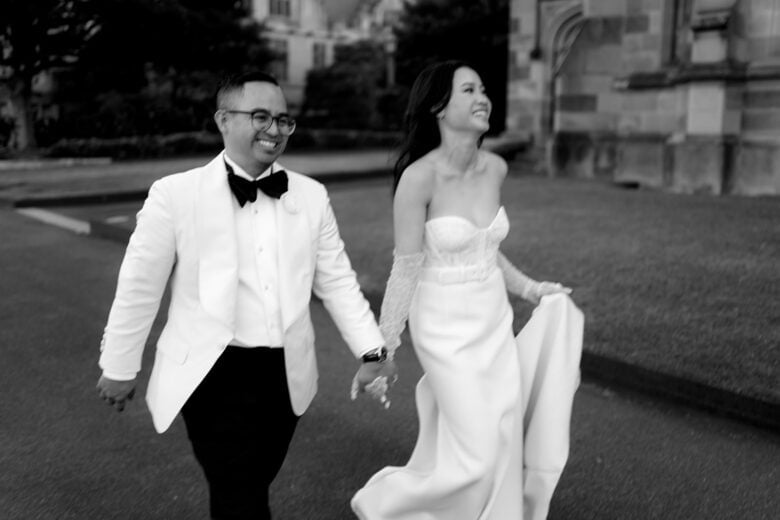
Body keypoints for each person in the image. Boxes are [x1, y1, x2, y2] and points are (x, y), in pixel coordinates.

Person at [95, 70, 396, 520]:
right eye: (260, 116)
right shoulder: (174, 194)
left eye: (283, 119)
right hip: (211, 373)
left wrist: (372, 351)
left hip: (285, 372)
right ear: (223, 120)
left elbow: (336, 281)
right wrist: (119, 365)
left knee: (252, 482)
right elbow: (140, 286)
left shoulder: (311, 196)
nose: (274, 129)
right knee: (239, 490)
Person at [350, 61, 584, 519]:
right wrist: (383, 351)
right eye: (469, 90)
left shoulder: (496, 168)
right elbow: (406, 269)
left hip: (492, 317)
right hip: (443, 325)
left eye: (483, 89)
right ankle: (392, 505)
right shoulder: (418, 178)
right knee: (477, 447)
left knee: (499, 430)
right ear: (439, 106)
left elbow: (485, 248)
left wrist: (531, 289)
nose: (483, 98)